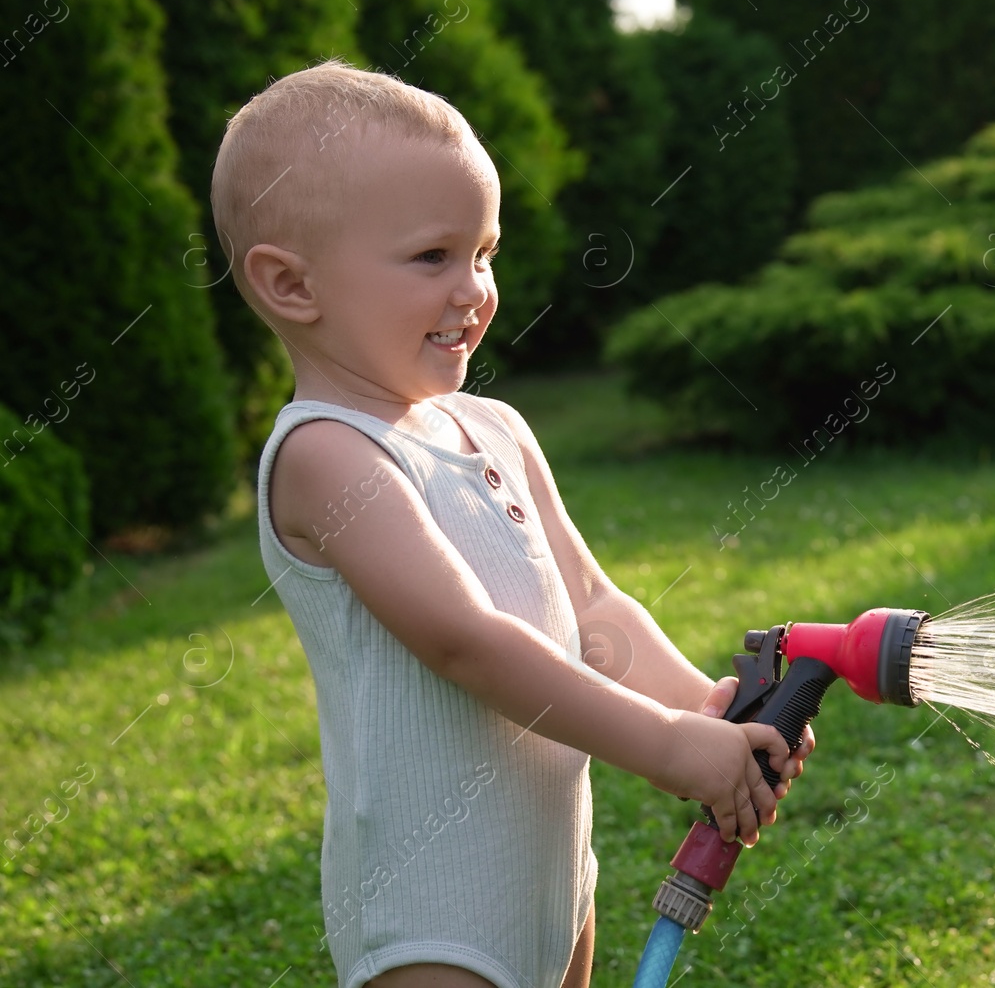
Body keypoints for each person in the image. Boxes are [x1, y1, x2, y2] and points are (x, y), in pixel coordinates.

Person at [211, 57, 811, 988]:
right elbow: (467, 643)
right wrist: (664, 748)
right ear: (293, 286)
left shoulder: (496, 427)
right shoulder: (326, 455)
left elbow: (590, 608)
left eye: (485, 252)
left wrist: (704, 709)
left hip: (553, 874)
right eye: (432, 257)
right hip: (430, 911)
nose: (475, 289)